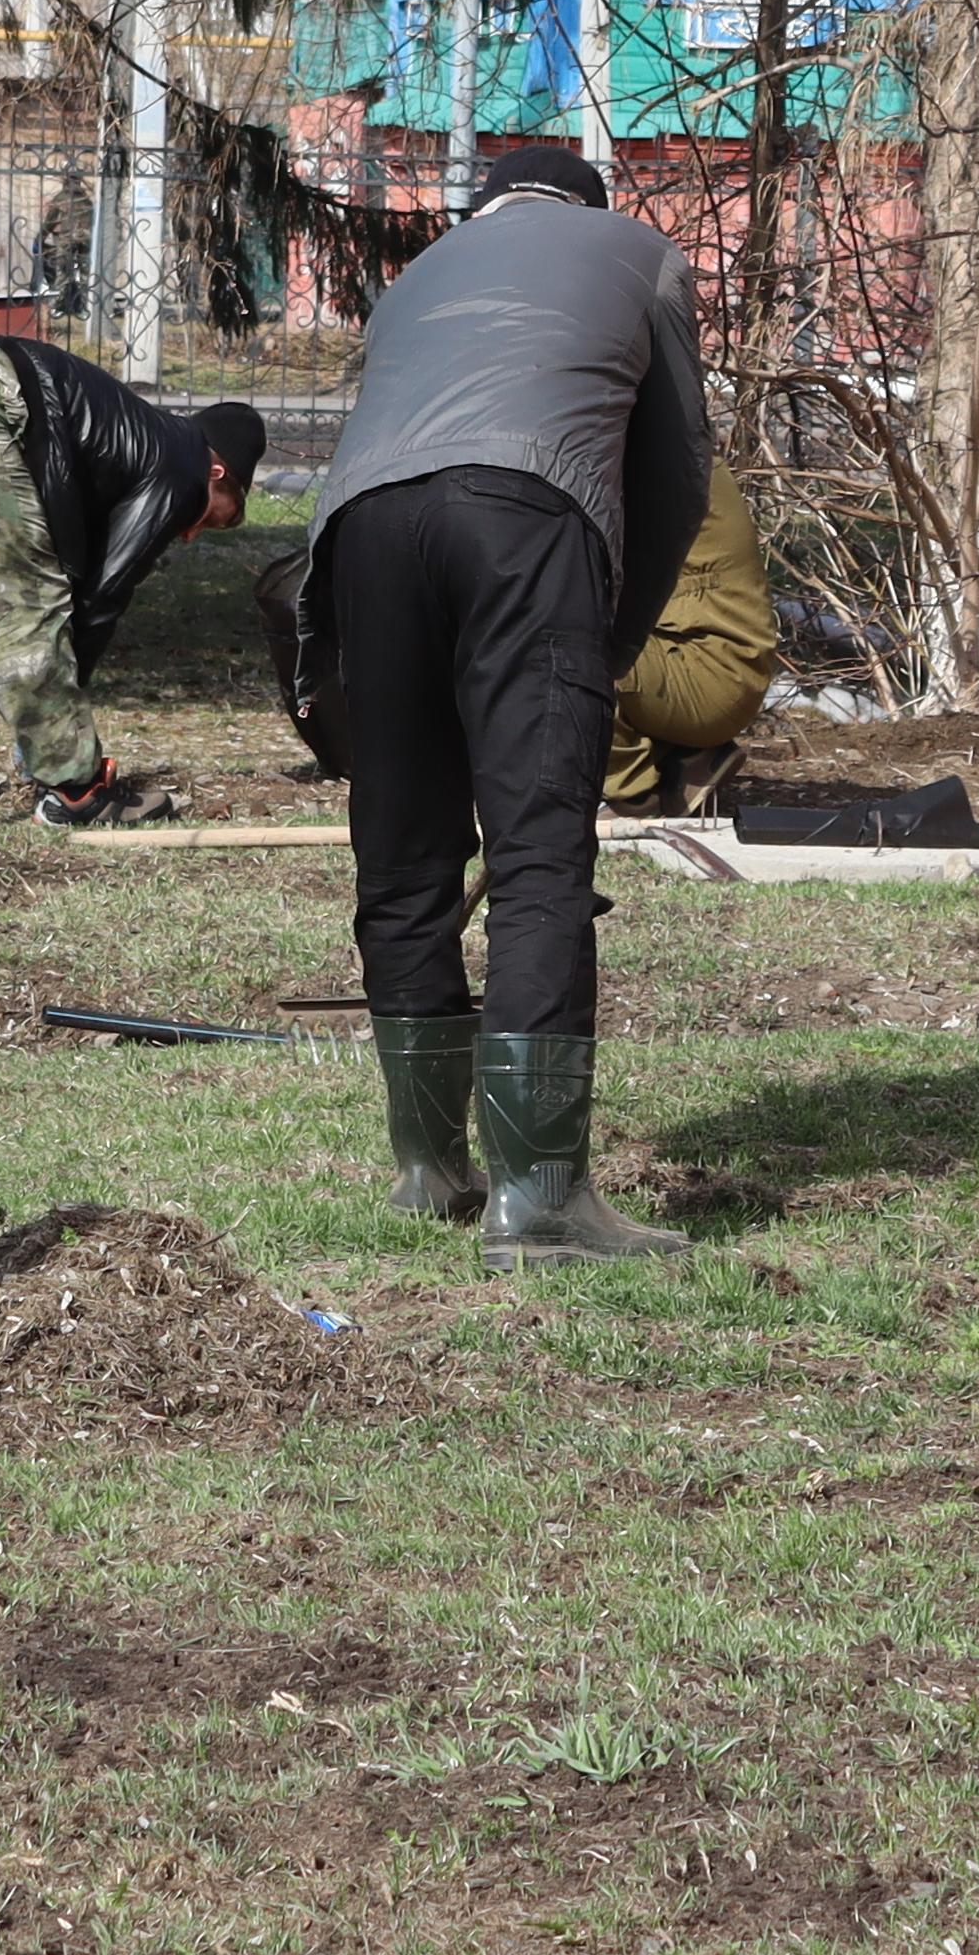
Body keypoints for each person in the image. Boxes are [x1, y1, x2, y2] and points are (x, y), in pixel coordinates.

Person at [292, 141, 708, 1265]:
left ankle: (430, 1170)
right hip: (525, 517)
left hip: (362, 537)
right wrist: (605, 646)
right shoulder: (641, 254)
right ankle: (539, 1200)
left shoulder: (416, 276)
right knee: (535, 857)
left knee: (405, 850)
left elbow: (381, 444)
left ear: (487, 209)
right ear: (585, 206)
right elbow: (678, 478)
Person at [0, 331, 262, 820]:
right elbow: (99, 599)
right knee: (18, 598)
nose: (193, 535)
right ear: (218, 474)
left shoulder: (138, 434)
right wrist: (54, 725)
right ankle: (76, 790)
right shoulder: (180, 468)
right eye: (222, 516)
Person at [602, 458, 780, 816]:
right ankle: (679, 760)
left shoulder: (651, 462)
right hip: (693, 664)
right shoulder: (657, 447)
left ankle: (633, 797)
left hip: (712, 673)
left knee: (556, 647)